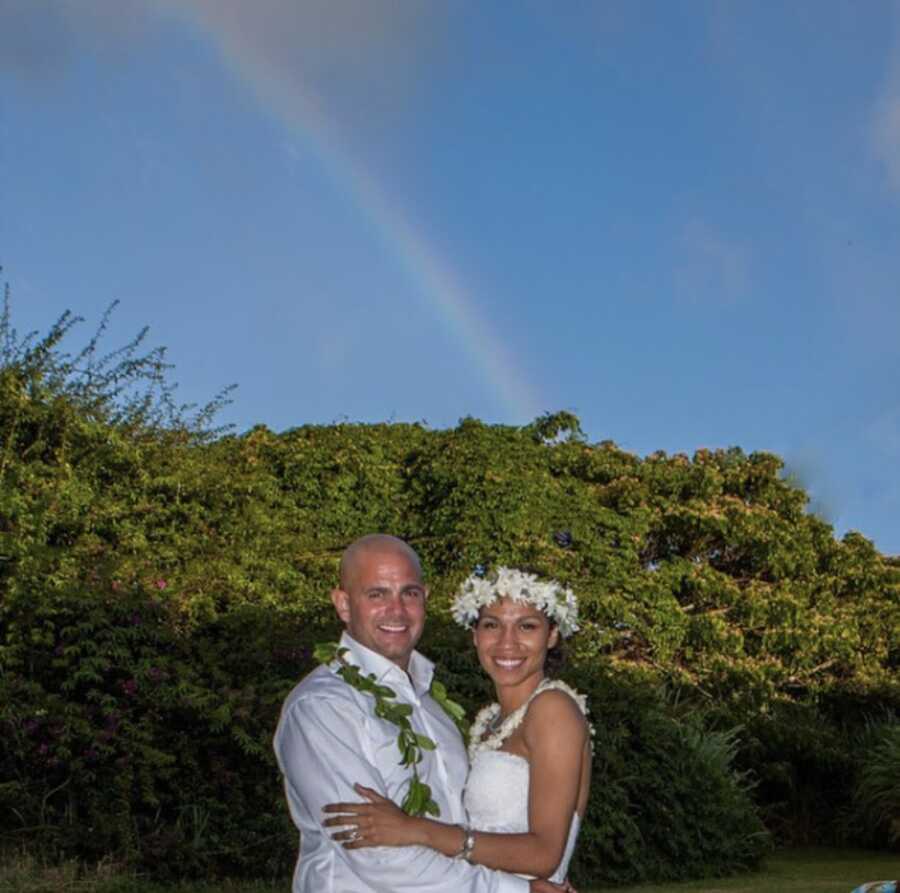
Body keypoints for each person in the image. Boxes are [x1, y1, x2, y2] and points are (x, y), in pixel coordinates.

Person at [274, 535, 567, 893]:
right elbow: (374, 853)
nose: (396, 611)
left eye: (408, 593)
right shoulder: (322, 708)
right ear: (343, 604)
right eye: (377, 594)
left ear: (425, 599)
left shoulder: (432, 706)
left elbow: (459, 828)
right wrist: (516, 890)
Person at [322, 564, 592, 885]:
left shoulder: (553, 710)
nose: (508, 643)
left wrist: (415, 829)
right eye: (492, 625)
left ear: (552, 635)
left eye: (527, 626)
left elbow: (544, 855)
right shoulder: (491, 720)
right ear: (475, 636)